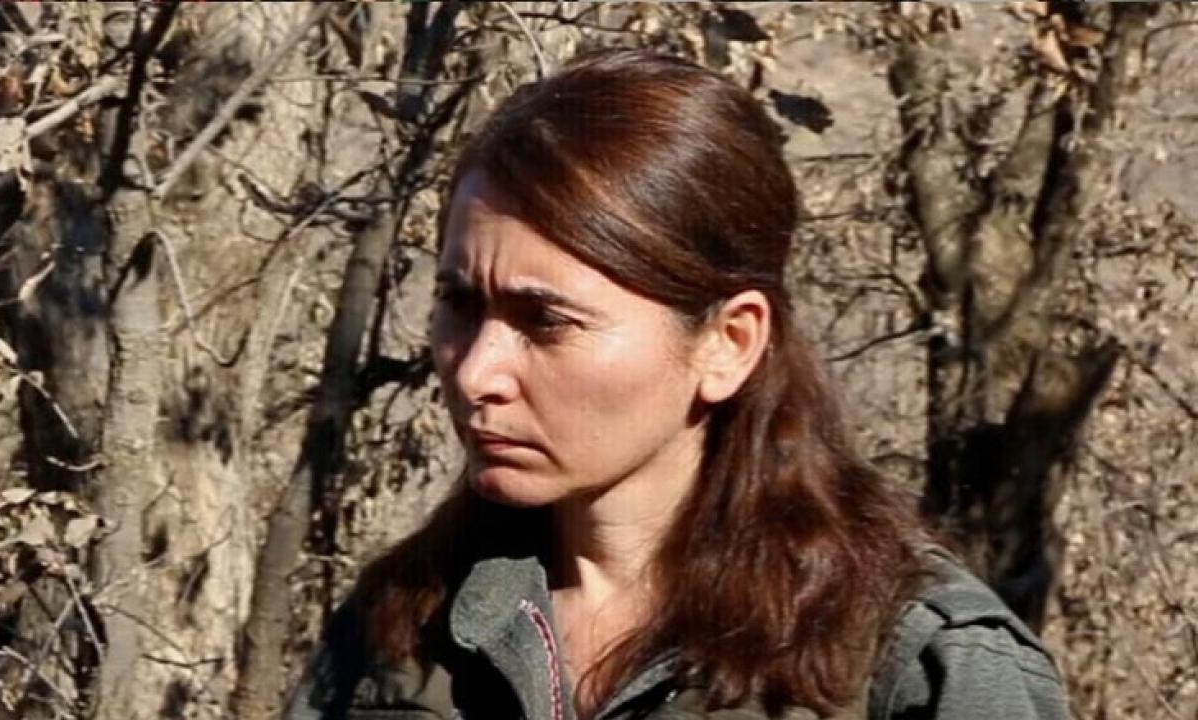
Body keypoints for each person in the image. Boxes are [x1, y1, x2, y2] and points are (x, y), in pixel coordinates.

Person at [285, 48, 1071, 720]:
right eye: (460, 305)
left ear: (729, 343)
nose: (477, 371)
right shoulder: (403, 632)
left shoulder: (917, 666)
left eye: (546, 321)